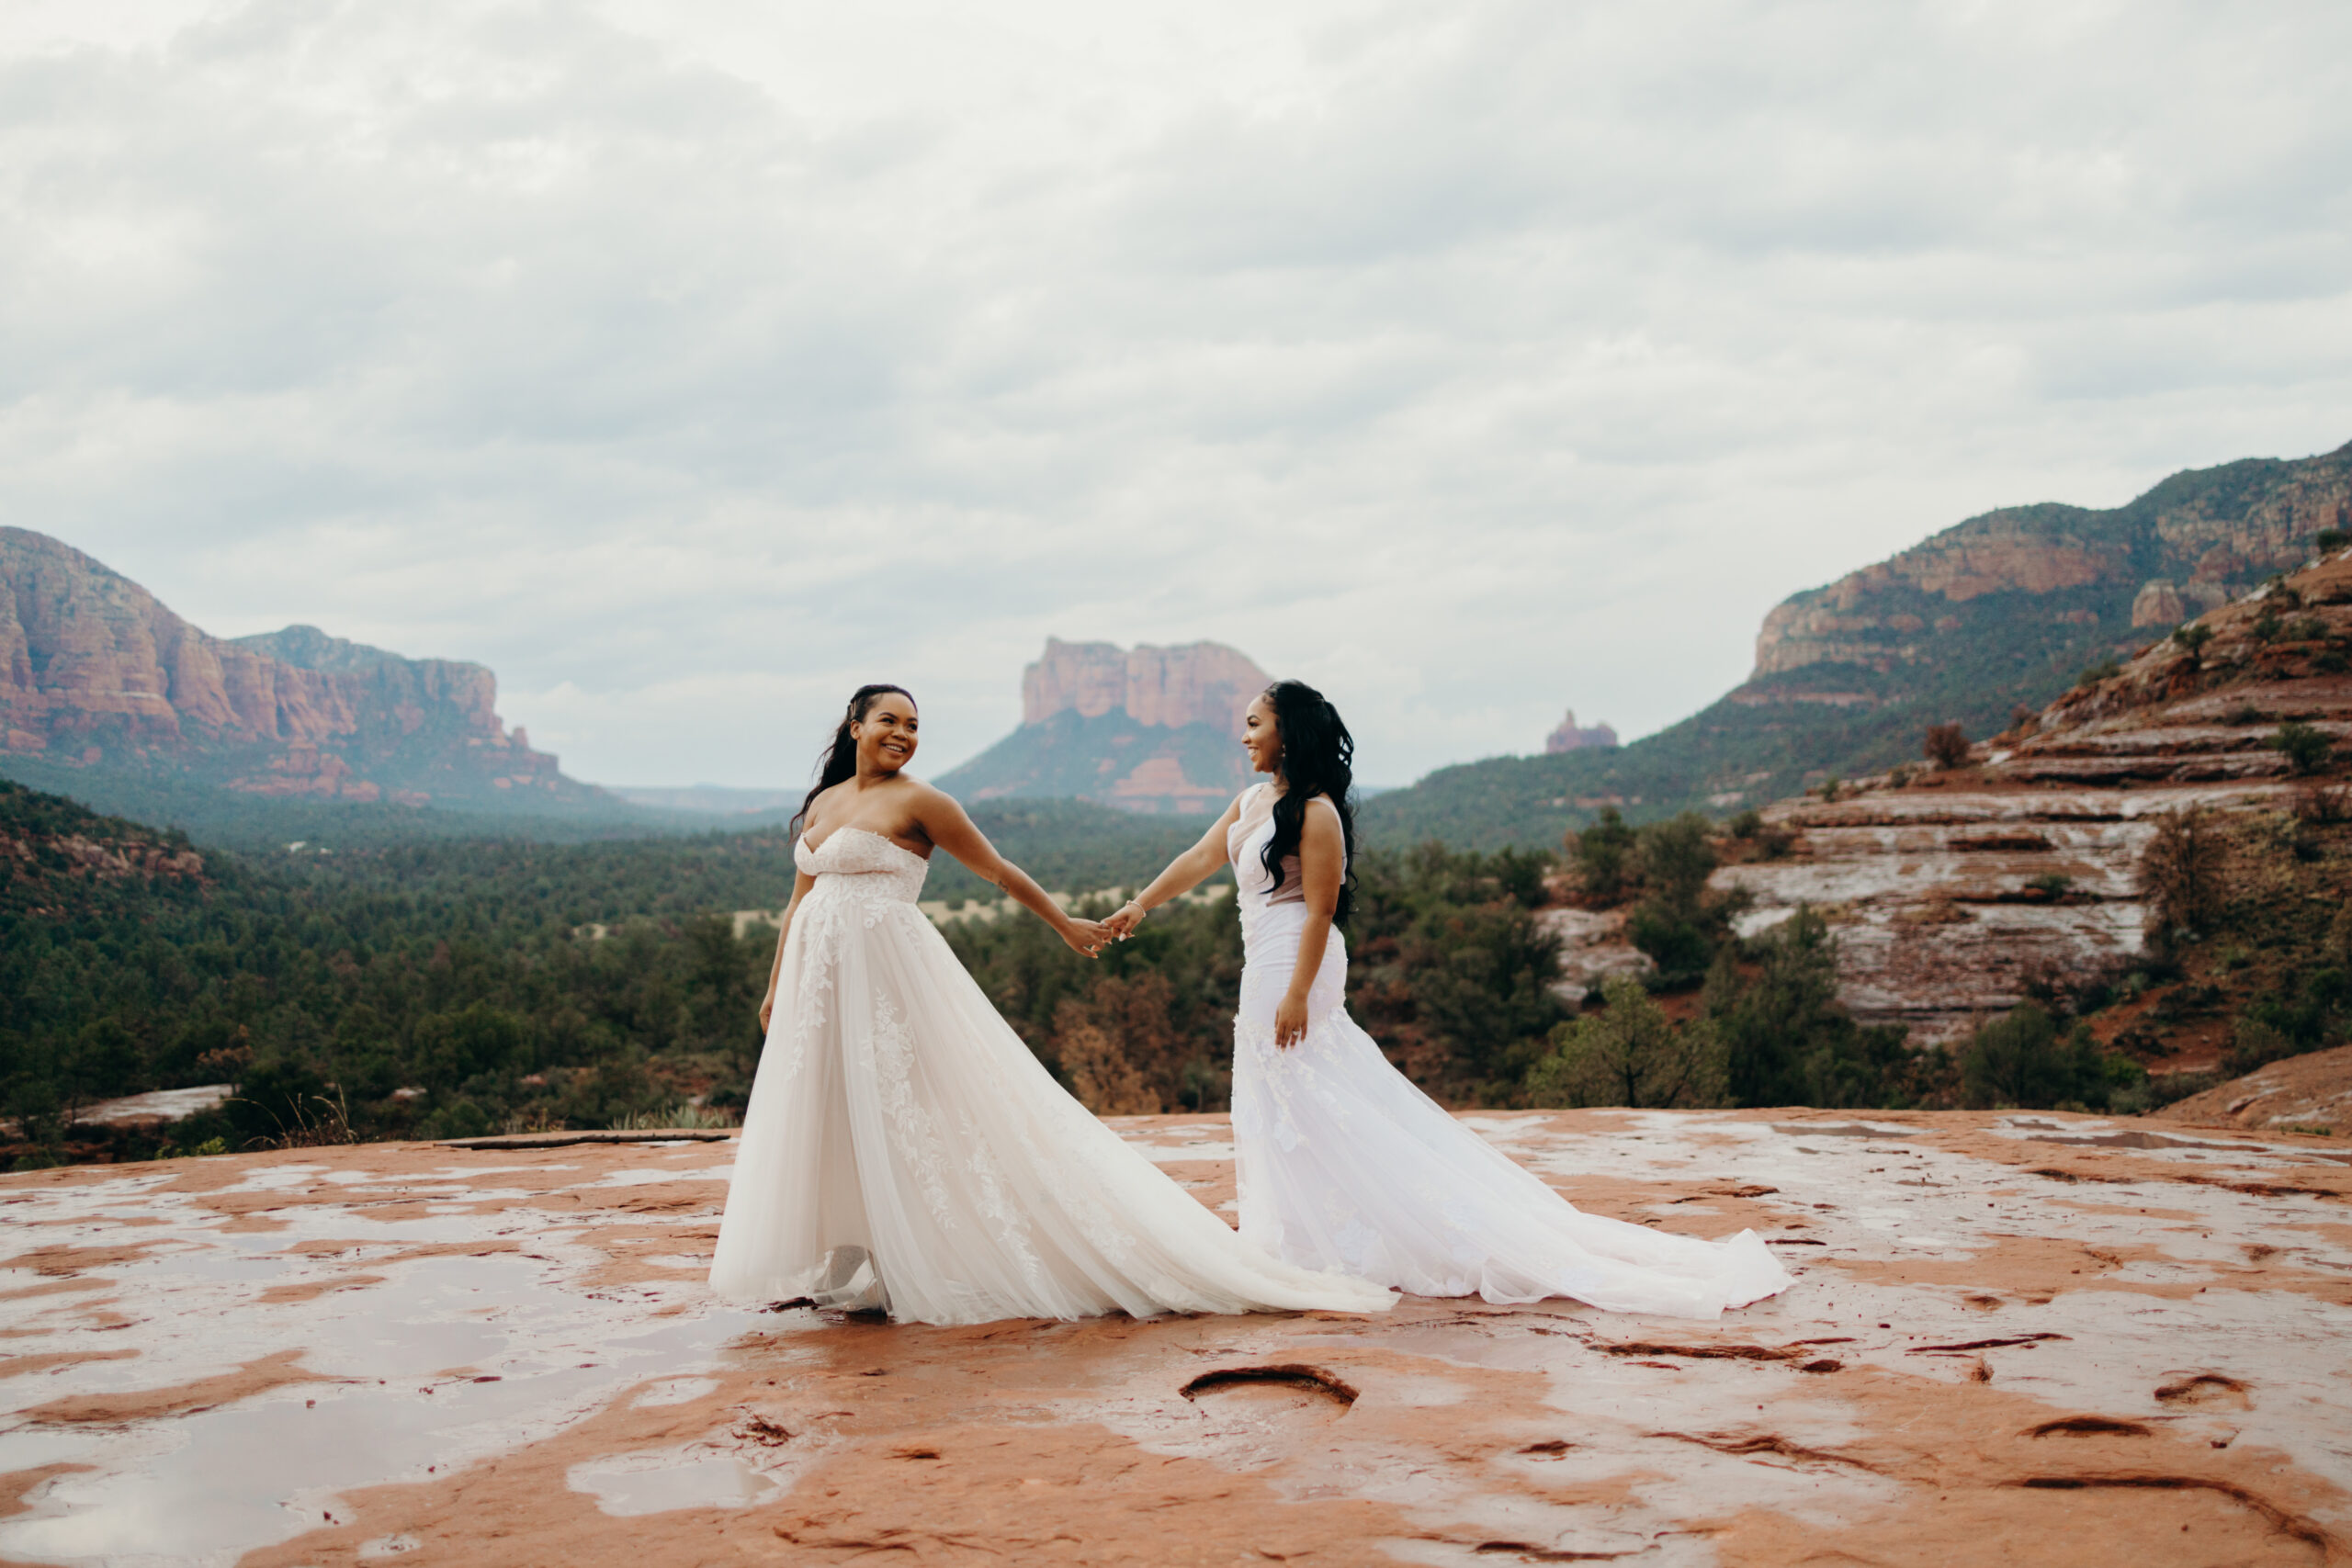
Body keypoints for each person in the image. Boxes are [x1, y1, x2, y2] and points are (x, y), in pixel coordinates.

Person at [709, 682, 1394, 1326]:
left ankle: (905, 1254)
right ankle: (845, 1255)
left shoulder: (925, 801)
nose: (903, 733)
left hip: (886, 974)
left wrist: (1068, 924)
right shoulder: (824, 803)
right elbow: (800, 900)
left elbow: (999, 870)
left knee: (903, 1104)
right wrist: (778, 983)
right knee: (825, 1104)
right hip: (819, 977)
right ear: (854, 726)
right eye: (888, 720)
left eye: (914, 725)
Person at [1102, 681, 1791, 1319]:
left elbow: (1319, 913)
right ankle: (1301, 1233)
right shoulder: (1251, 803)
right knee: (1280, 1094)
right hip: (1263, 958)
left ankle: (1358, 1231)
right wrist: (1140, 904)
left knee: (1305, 1089)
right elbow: (1199, 857)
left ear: (1289, 732)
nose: (1244, 737)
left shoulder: (1316, 814)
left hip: (1295, 962)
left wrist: (1297, 994)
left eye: (1255, 725)